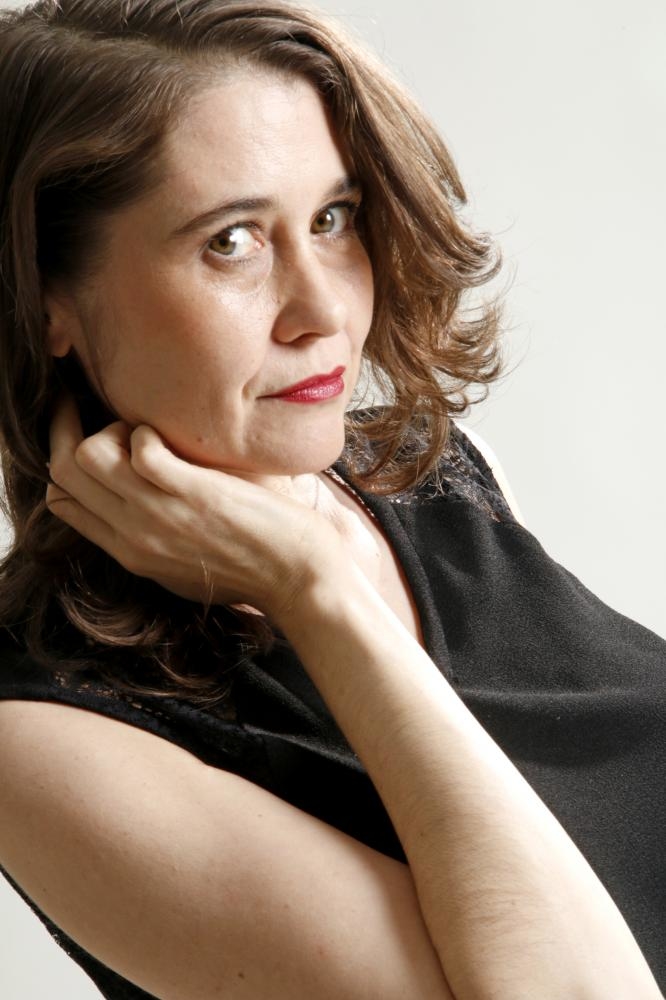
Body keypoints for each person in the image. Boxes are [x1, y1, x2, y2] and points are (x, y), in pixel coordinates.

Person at [0, 0, 664, 997]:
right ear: (46, 296)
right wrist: (314, 588)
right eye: (232, 241)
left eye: (332, 218)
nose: (323, 309)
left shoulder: (437, 475)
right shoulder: (45, 734)